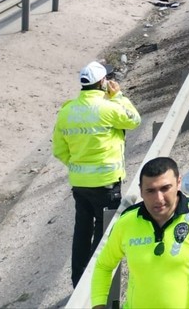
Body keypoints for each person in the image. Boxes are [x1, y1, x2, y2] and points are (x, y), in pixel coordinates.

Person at [90, 156, 189, 309]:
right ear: (140, 190)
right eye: (150, 191)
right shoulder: (126, 221)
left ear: (178, 183)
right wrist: (98, 305)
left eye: (165, 188)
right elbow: (103, 265)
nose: (158, 199)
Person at [52, 60, 141, 287]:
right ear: (102, 82)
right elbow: (134, 120)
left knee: (82, 231)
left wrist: (77, 166)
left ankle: (78, 281)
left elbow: (59, 150)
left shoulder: (67, 111)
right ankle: (92, 284)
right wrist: (118, 96)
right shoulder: (108, 108)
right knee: (104, 235)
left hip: (80, 184)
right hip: (106, 183)